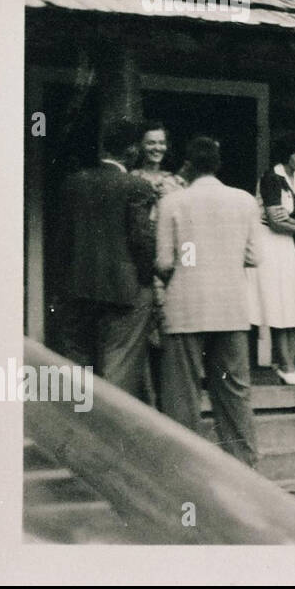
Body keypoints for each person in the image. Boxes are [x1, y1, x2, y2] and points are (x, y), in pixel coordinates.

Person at [156, 136, 264, 466]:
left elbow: (163, 261)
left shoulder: (173, 203)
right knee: (234, 391)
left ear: (187, 165)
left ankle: (184, 465)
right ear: (219, 165)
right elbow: (254, 256)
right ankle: (243, 464)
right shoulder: (245, 201)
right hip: (230, 306)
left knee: (181, 393)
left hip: (185, 306)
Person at [53, 119, 158, 401]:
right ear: (133, 151)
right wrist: (146, 280)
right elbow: (142, 241)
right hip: (123, 290)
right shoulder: (138, 186)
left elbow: (62, 240)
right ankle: (112, 433)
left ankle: (77, 428)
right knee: (119, 365)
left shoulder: (73, 182)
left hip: (77, 286)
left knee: (77, 364)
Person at [246, 134, 295, 385]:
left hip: (286, 246)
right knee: (279, 306)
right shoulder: (272, 178)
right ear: (287, 155)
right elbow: (278, 223)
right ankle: (285, 365)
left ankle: (288, 364)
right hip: (267, 245)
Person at [132, 120, 187, 402]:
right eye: (151, 142)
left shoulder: (176, 182)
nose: (157, 148)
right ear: (141, 145)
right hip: (140, 266)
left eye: (161, 143)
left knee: (168, 334)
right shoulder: (133, 178)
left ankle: (171, 402)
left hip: (169, 266)